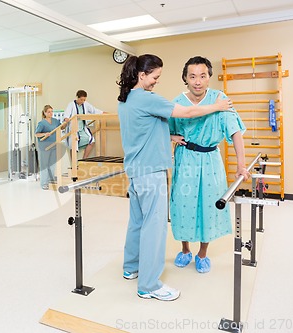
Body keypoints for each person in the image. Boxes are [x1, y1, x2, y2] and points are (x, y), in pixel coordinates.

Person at [117, 54, 234, 301]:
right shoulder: (147, 99)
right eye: (155, 77)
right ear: (142, 75)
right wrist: (217, 106)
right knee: (154, 227)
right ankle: (149, 285)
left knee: (137, 222)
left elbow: (141, 130)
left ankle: (131, 267)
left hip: (135, 172)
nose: (156, 82)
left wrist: (169, 137)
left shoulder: (125, 99)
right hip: (151, 172)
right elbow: (188, 112)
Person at [169, 56, 250, 273]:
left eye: (202, 76)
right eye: (192, 76)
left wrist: (241, 165)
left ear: (209, 77)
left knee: (209, 205)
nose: (197, 81)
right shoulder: (177, 101)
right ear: (185, 78)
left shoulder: (220, 98)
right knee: (182, 204)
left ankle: (202, 253)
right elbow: (165, 129)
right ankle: (185, 249)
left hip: (211, 160)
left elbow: (235, 132)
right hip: (186, 158)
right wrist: (172, 137)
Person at [63, 90, 103, 159]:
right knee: (73, 146)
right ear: (77, 98)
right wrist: (66, 118)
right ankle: (74, 165)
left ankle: (84, 159)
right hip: (74, 129)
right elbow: (66, 115)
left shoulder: (85, 104)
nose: (82, 101)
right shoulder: (71, 104)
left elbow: (94, 110)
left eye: (84, 100)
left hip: (82, 128)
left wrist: (103, 113)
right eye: (81, 99)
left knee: (91, 141)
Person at [35, 105, 66, 190]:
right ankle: (44, 183)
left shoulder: (55, 121)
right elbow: (36, 134)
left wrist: (65, 123)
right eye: (49, 112)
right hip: (44, 146)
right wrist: (45, 134)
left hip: (54, 145)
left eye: (52, 111)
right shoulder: (41, 123)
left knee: (52, 164)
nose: (51, 113)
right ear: (45, 113)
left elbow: (61, 127)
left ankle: (50, 180)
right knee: (44, 165)